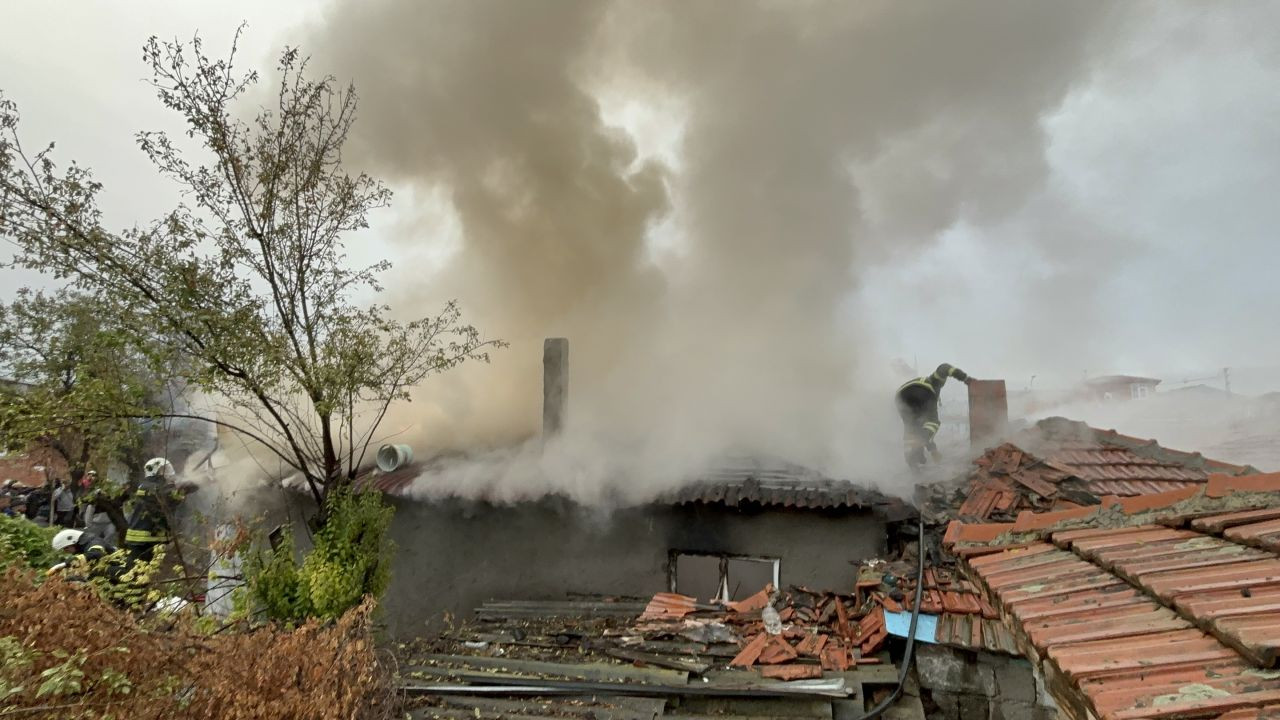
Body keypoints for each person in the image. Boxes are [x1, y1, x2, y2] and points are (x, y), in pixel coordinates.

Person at [895, 363, 973, 470]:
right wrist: (965, 378)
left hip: (901, 397)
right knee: (933, 423)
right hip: (922, 391)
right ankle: (916, 452)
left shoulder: (921, 412)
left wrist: (932, 450)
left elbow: (925, 434)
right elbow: (944, 367)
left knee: (911, 430)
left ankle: (912, 461)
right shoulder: (935, 381)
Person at [123, 457, 184, 562]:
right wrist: (178, 489)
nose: (167, 474)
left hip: (153, 540)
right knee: (133, 573)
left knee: (150, 574)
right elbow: (166, 495)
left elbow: (172, 502)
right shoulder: (147, 487)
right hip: (141, 540)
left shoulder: (154, 486)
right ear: (156, 471)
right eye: (163, 470)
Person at [51, 527, 117, 562]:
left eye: (66, 548)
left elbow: (97, 553)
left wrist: (74, 560)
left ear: (73, 542)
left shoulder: (93, 541)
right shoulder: (83, 546)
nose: (65, 551)